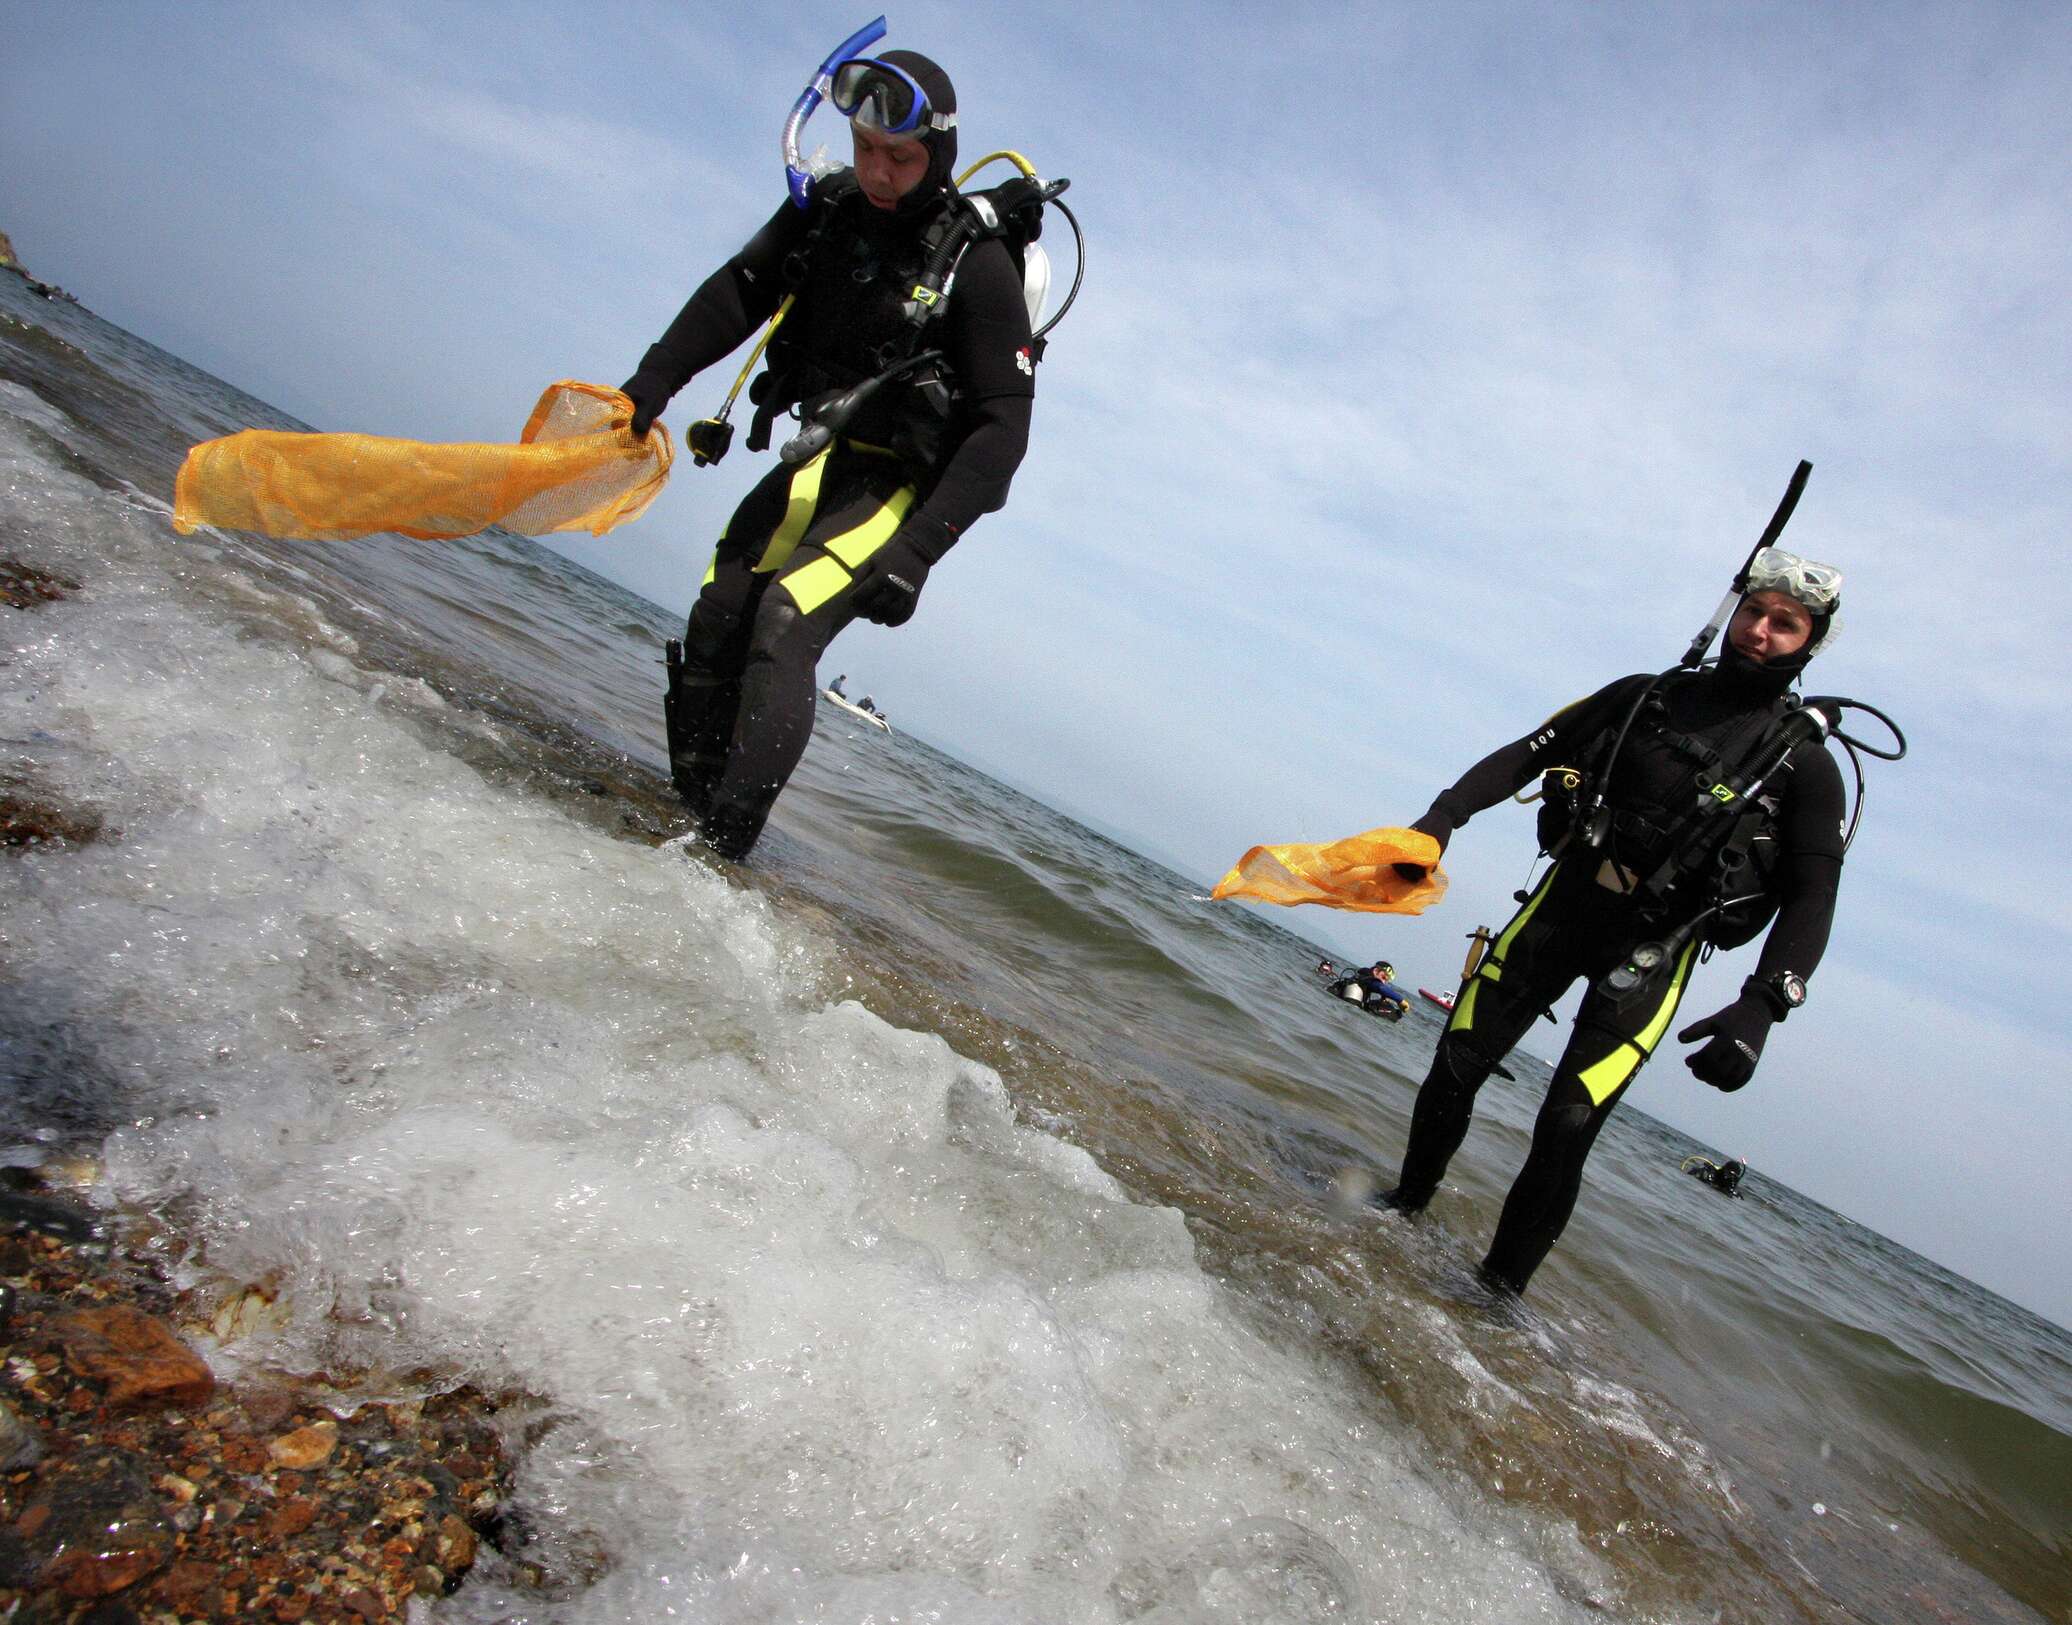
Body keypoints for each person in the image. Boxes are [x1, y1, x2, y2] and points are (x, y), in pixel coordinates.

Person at [1374, 548, 1851, 1293]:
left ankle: (1494, 1299)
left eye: (1784, 624)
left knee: (1566, 1126)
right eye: (1755, 611)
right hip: (1563, 907)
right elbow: (1530, 753)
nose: (1760, 631)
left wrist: (1762, 1005)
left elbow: (1814, 892)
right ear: (1734, 611)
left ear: (1810, 642)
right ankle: (1399, 1212)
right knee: (1454, 1067)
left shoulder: (1805, 768)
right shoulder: (1645, 697)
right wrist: (1439, 820)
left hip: (1655, 951)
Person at [622, 46, 1036, 857]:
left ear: (938, 155)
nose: (879, 172)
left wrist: (920, 550)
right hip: (814, 462)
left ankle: (722, 853)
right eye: (866, 149)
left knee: (782, 624)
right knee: (718, 613)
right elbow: (740, 287)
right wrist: (650, 385)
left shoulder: (976, 267)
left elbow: (1004, 431)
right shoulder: (829, 210)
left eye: (901, 157)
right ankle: (688, 817)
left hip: (893, 486)